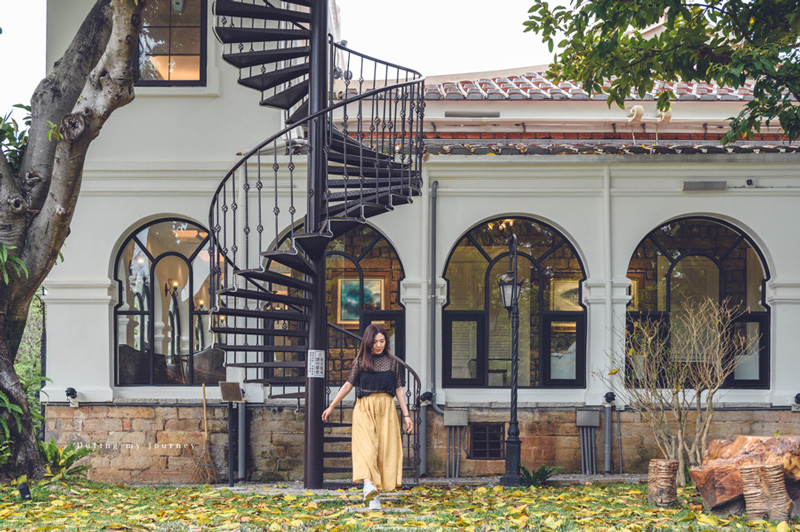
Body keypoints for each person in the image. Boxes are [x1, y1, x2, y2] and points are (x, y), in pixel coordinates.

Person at [322, 323, 414, 510]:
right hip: (364, 407)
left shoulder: (392, 362)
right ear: (368, 341)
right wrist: (331, 406)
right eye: (375, 341)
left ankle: (374, 498)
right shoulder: (360, 362)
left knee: (383, 452)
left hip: (386, 408)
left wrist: (406, 415)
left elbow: (398, 389)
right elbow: (348, 385)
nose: (379, 345)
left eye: (382, 341)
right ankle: (368, 484)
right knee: (366, 448)